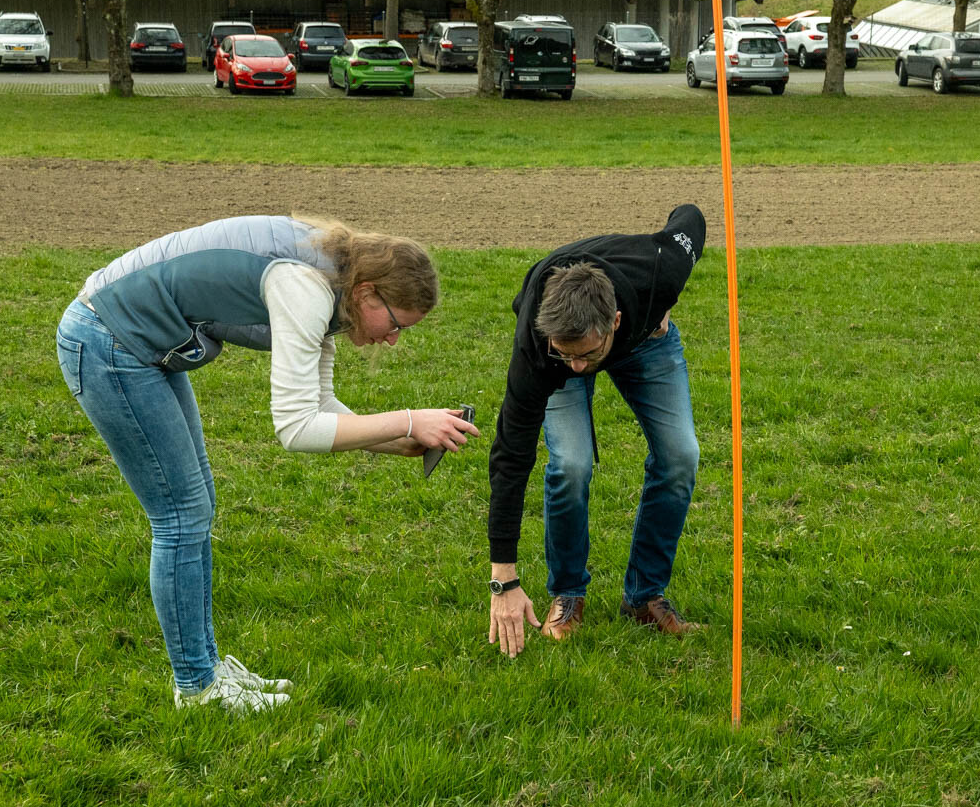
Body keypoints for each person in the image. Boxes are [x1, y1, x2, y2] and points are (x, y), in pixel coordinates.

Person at [57, 215, 478, 711]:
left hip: (131, 340)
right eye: (396, 323)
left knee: (195, 508)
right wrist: (407, 418)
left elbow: (320, 405)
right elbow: (297, 429)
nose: (393, 339)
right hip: (108, 342)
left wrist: (396, 438)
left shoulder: (331, 283)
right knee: (181, 517)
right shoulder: (305, 285)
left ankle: (206, 669)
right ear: (367, 292)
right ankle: (197, 687)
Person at [486, 203, 706, 658]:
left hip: (646, 342)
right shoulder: (541, 349)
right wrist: (502, 577)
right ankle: (568, 594)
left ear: (615, 323)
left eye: (585, 355)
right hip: (567, 335)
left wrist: (664, 303)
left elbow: (691, 217)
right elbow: (511, 455)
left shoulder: (661, 269)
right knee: (570, 463)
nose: (578, 368)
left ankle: (644, 598)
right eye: (568, 356)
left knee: (681, 455)